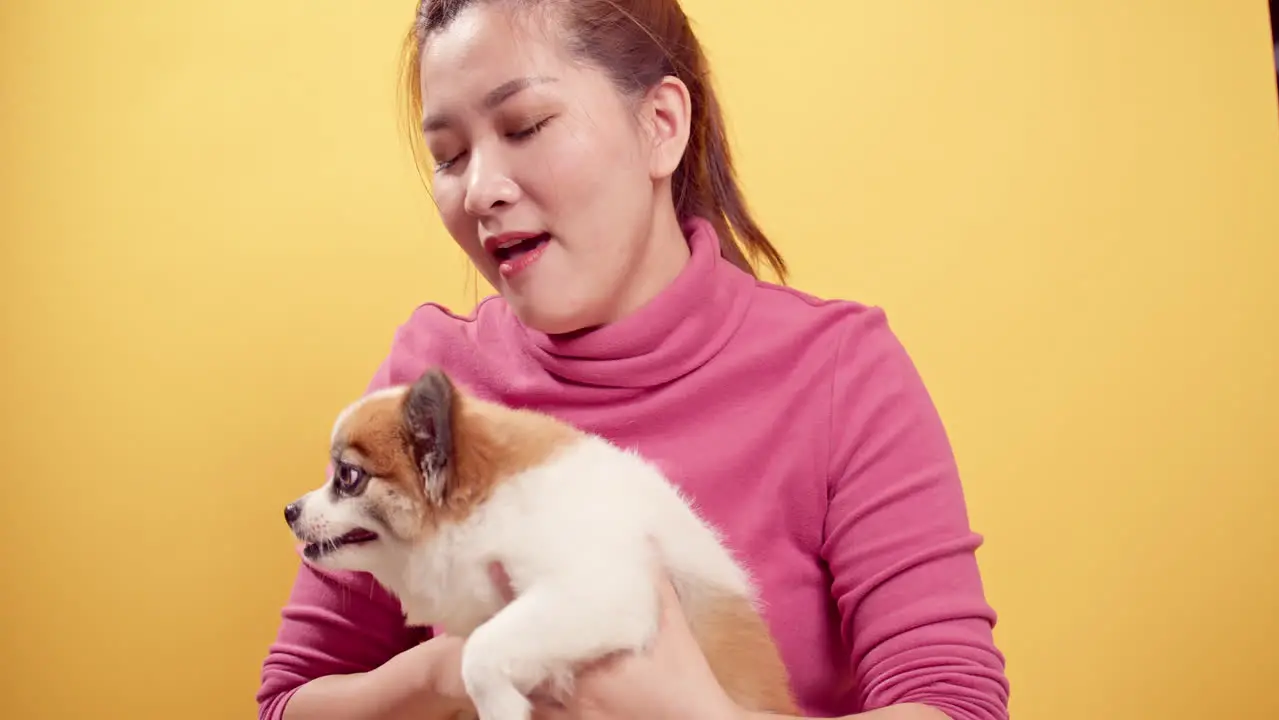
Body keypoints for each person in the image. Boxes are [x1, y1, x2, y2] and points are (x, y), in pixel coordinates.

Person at [256, 1, 1010, 719]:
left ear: (660, 125)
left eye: (526, 125)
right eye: (449, 156)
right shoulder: (430, 389)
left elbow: (956, 706)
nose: (480, 189)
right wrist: (454, 669)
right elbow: (289, 702)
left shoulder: (838, 372)